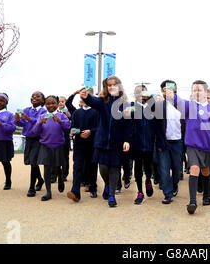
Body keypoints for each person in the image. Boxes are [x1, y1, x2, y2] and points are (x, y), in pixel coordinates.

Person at [165, 80, 210, 214]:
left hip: (208, 146)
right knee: (194, 168)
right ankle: (192, 201)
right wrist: (172, 95)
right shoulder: (189, 106)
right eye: (194, 90)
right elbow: (179, 102)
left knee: (205, 170)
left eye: (199, 90)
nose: (197, 92)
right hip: (192, 145)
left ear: (205, 92)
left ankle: (205, 195)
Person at [80, 76, 132, 207]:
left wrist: (127, 140)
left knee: (114, 168)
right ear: (106, 87)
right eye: (109, 85)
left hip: (117, 142)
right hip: (102, 140)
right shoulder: (102, 101)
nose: (112, 87)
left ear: (119, 86)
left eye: (114, 85)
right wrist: (86, 96)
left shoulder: (125, 104)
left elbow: (128, 124)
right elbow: (93, 101)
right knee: (103, 168)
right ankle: (107, 184)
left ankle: (112, 196)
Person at [33, 95, 71, 201]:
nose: (50, 105)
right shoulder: (42, 116)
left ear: (57, 103)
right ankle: (48, 192)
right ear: (45, 105)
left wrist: (60, 121)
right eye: (48, 103)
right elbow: (35, 131)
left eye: (53, 103)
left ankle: (60, 179)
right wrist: (40, 123)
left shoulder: (61, 115)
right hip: (45, 145)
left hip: (58, 145)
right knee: (47, 167)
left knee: (57, 166)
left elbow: (67, 128)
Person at [156, 80, 185, 204]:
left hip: (178, 141)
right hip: (163, 142)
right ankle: (167, 194)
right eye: (164, 89)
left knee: (178, 169)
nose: (167, 91)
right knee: (164, 169)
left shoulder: (182, 105)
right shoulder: (158, 105)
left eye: (170, 89)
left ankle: (175, 185)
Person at [66, 96, 99, 202]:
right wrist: (72, 131)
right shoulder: (76, 113)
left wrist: (90, 131)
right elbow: (73, 126)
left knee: (92, 167)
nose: (84, 100)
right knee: (77, 167)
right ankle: (75, 192)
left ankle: (93, 188)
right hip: (79, 144)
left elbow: (99, 127)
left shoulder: (96, 112)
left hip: (93, 144)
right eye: (82, 98)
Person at [14, 91, 47, 197]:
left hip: (38, 139)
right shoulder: (26, 110)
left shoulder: (43, 111)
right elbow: (22, 124)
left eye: (37, 96)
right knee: (31, 162)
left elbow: (40, 121)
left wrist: (28, 118)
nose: (34, 97)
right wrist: (18, 120)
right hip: (28, 139)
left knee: (33, 162)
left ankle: (31, 187)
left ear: (42, 100)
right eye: (32, 96)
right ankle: (41, 180)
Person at [129, 85, 157, 204]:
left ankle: (148, 181)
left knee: (148, 166)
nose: (141, 94)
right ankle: (140, 192)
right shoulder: (132, 107)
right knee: (138, 168)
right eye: (138, 93)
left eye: (143, 92)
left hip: (150, 143)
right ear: (135, 95)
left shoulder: (153, 108)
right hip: (136, 144)